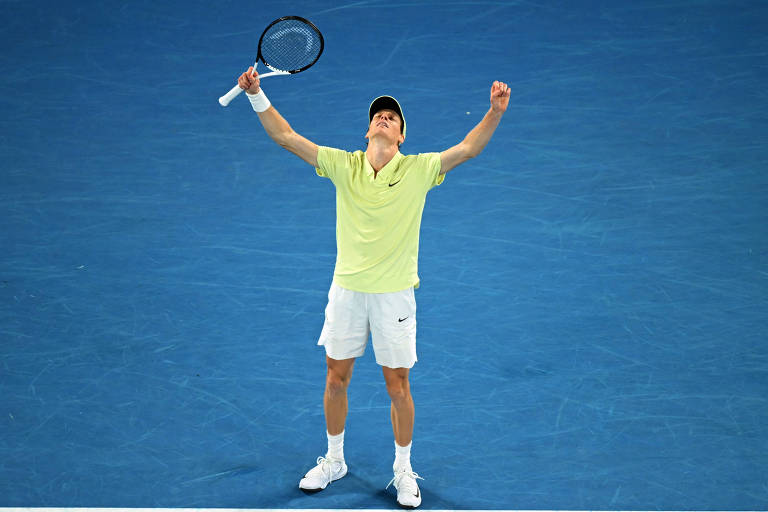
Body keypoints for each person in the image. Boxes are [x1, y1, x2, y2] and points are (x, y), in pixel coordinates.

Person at [236, 67, 509, 509]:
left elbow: (469, 148)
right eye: (378, 116)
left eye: (393, 117)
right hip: (347, 290)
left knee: (397, 385)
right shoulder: (343, 165)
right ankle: (335, 460)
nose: (384, 118)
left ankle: (403, 470)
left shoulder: (420, 170)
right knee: (335, 377)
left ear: (401, 137)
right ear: (367, 132)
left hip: (395, 294)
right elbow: (286, 136)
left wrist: (494, 112)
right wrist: (256, 95)